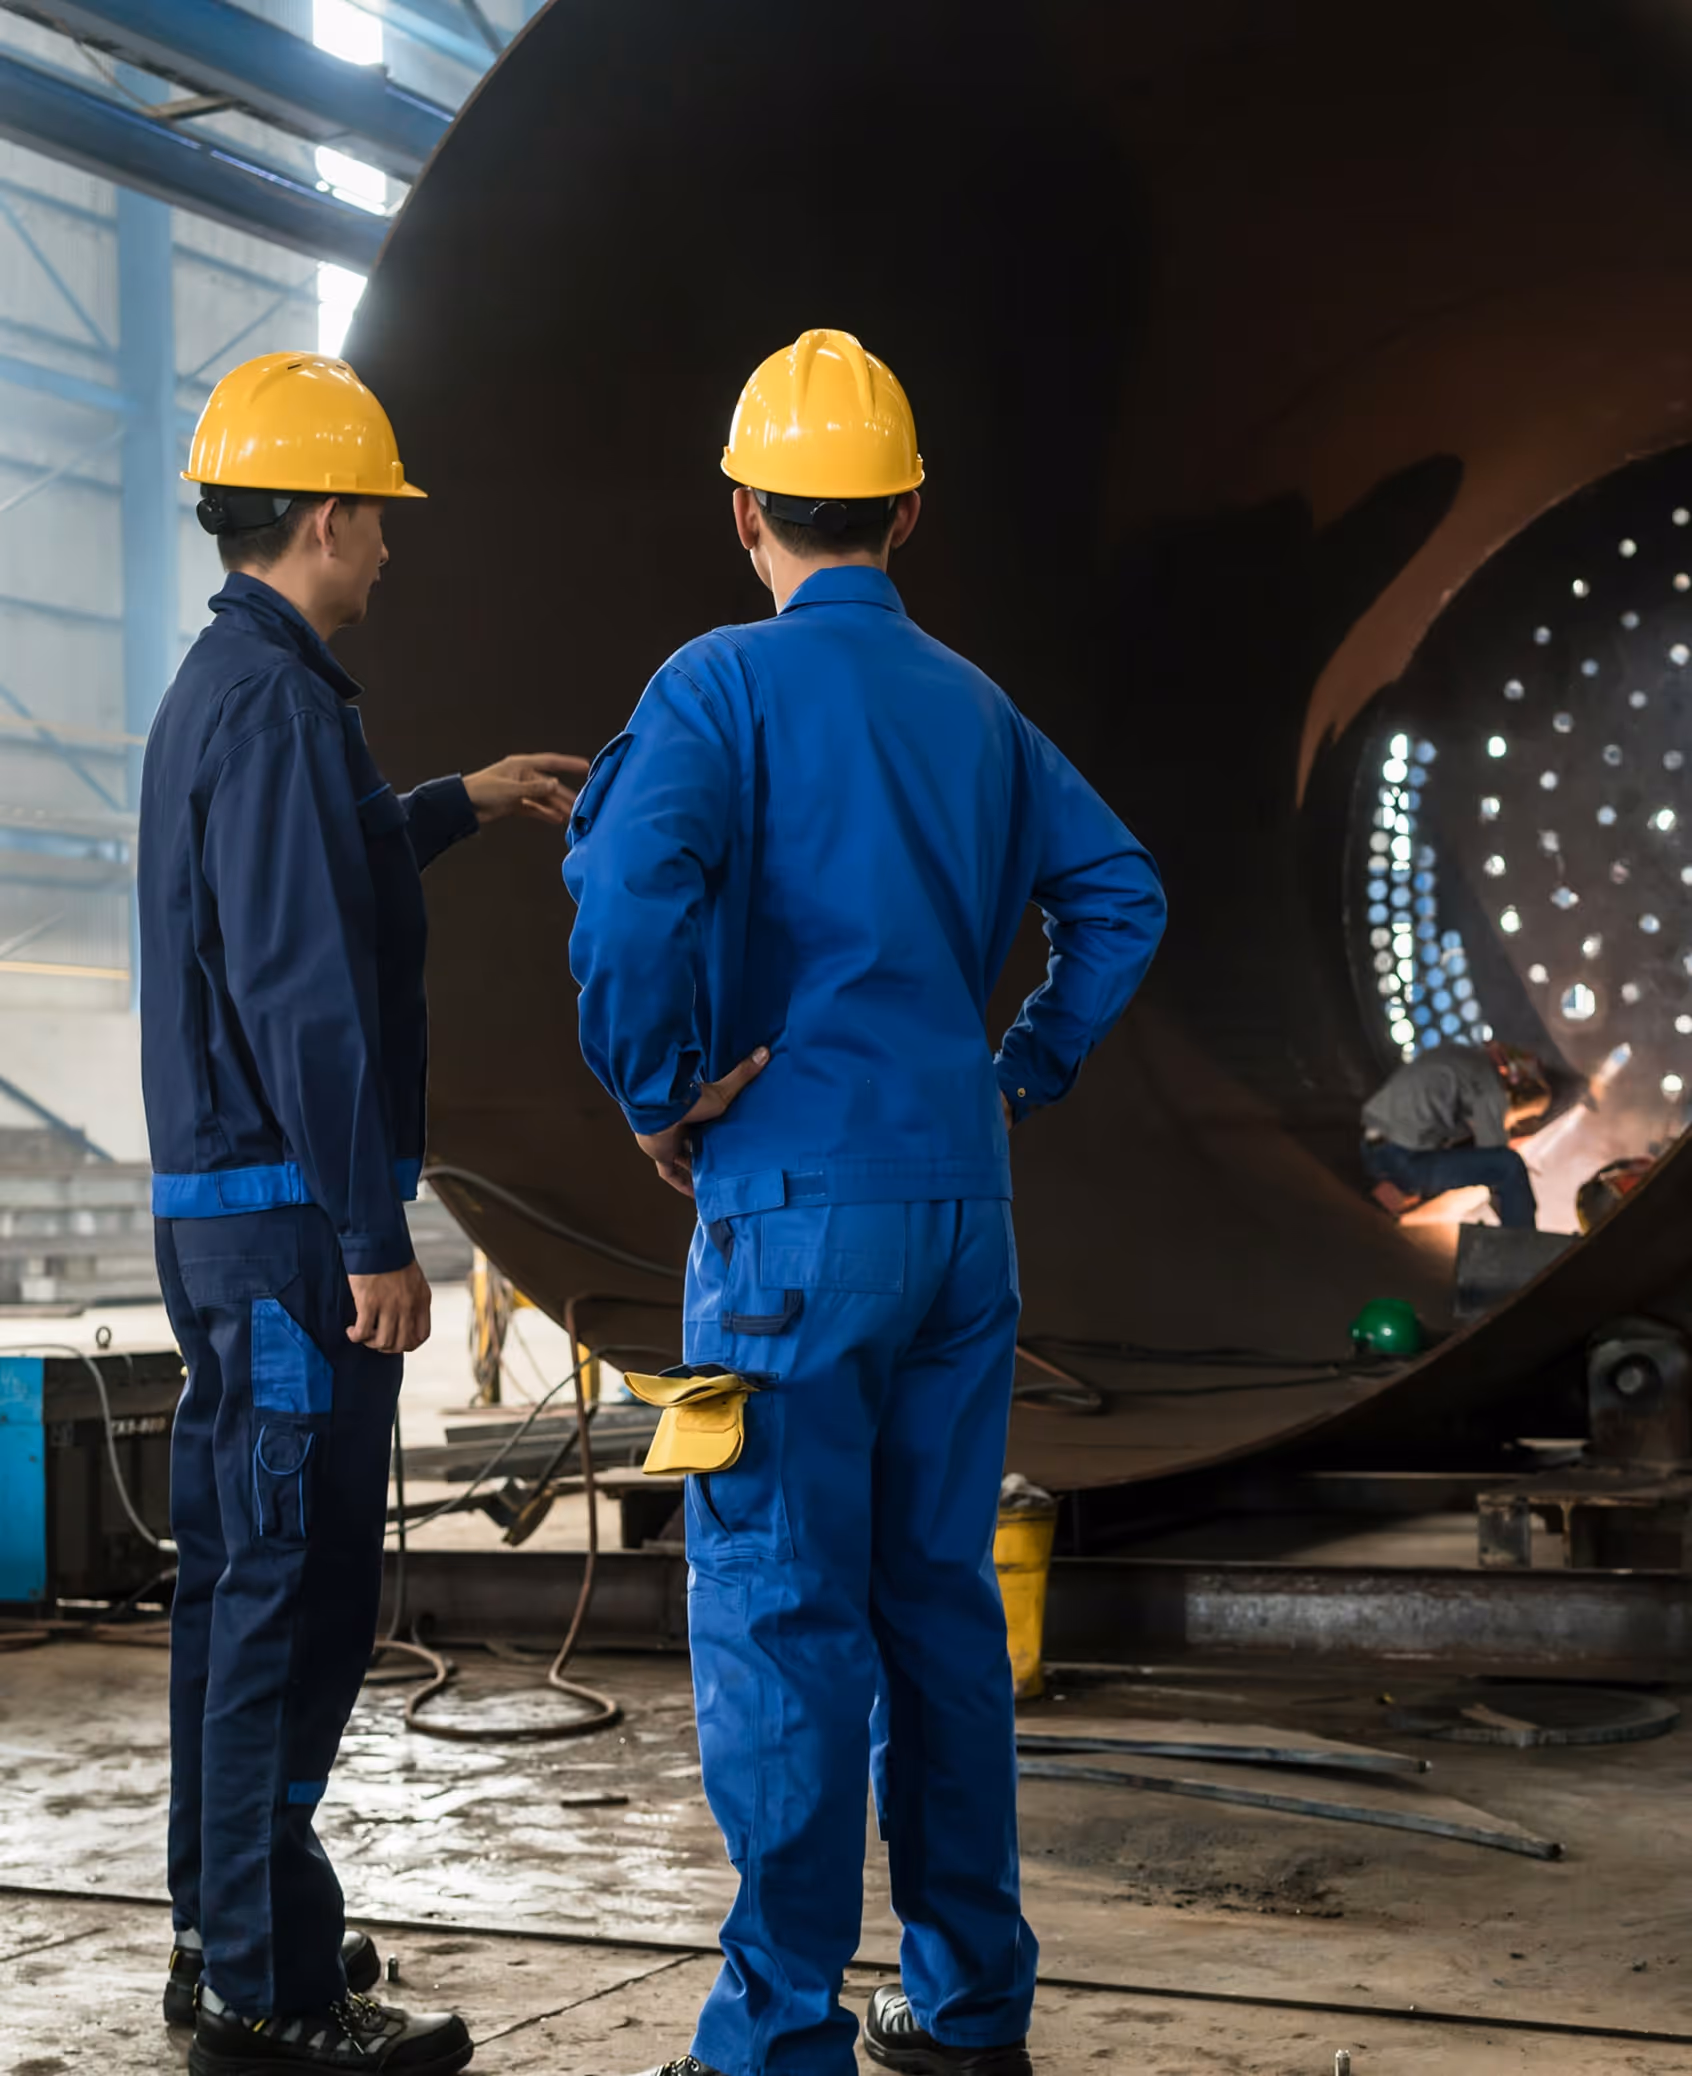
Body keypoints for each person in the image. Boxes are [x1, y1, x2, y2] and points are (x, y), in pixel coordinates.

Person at [562, 328, 1167, 2076]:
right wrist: (1020, 1069)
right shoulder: (979, 710)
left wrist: (662, 1084)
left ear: (741, 507)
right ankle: (972, 2005)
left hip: (784, 1225)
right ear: (910, 514)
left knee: (778, 1609)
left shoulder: (713, 689)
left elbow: (619, 893)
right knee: (937, 1608)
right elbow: (1117, 897)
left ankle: (774, 2035)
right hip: (958, 1212)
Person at [140, 351, 587, 2073]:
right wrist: (368, 1233)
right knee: (292, 1591)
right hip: (284, 1231)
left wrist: (451, 807)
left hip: (237, 1220)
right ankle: (265, 1985)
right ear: (324, 517)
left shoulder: (248, 693)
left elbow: (310, 881)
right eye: (381, 522)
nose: (392, 551)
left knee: (236, 1590)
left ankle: (230, 1925)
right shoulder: (271, 703)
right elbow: (301, 989)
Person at [1360, 1038, 1551, 1229]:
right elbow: (1495, 1157)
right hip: (1402, 1158)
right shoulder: (1490, 1083)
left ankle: (1396, 1187)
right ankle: (1521, 1247)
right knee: (1510, 1166)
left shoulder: (1454, 1052)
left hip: (1372, 1146)